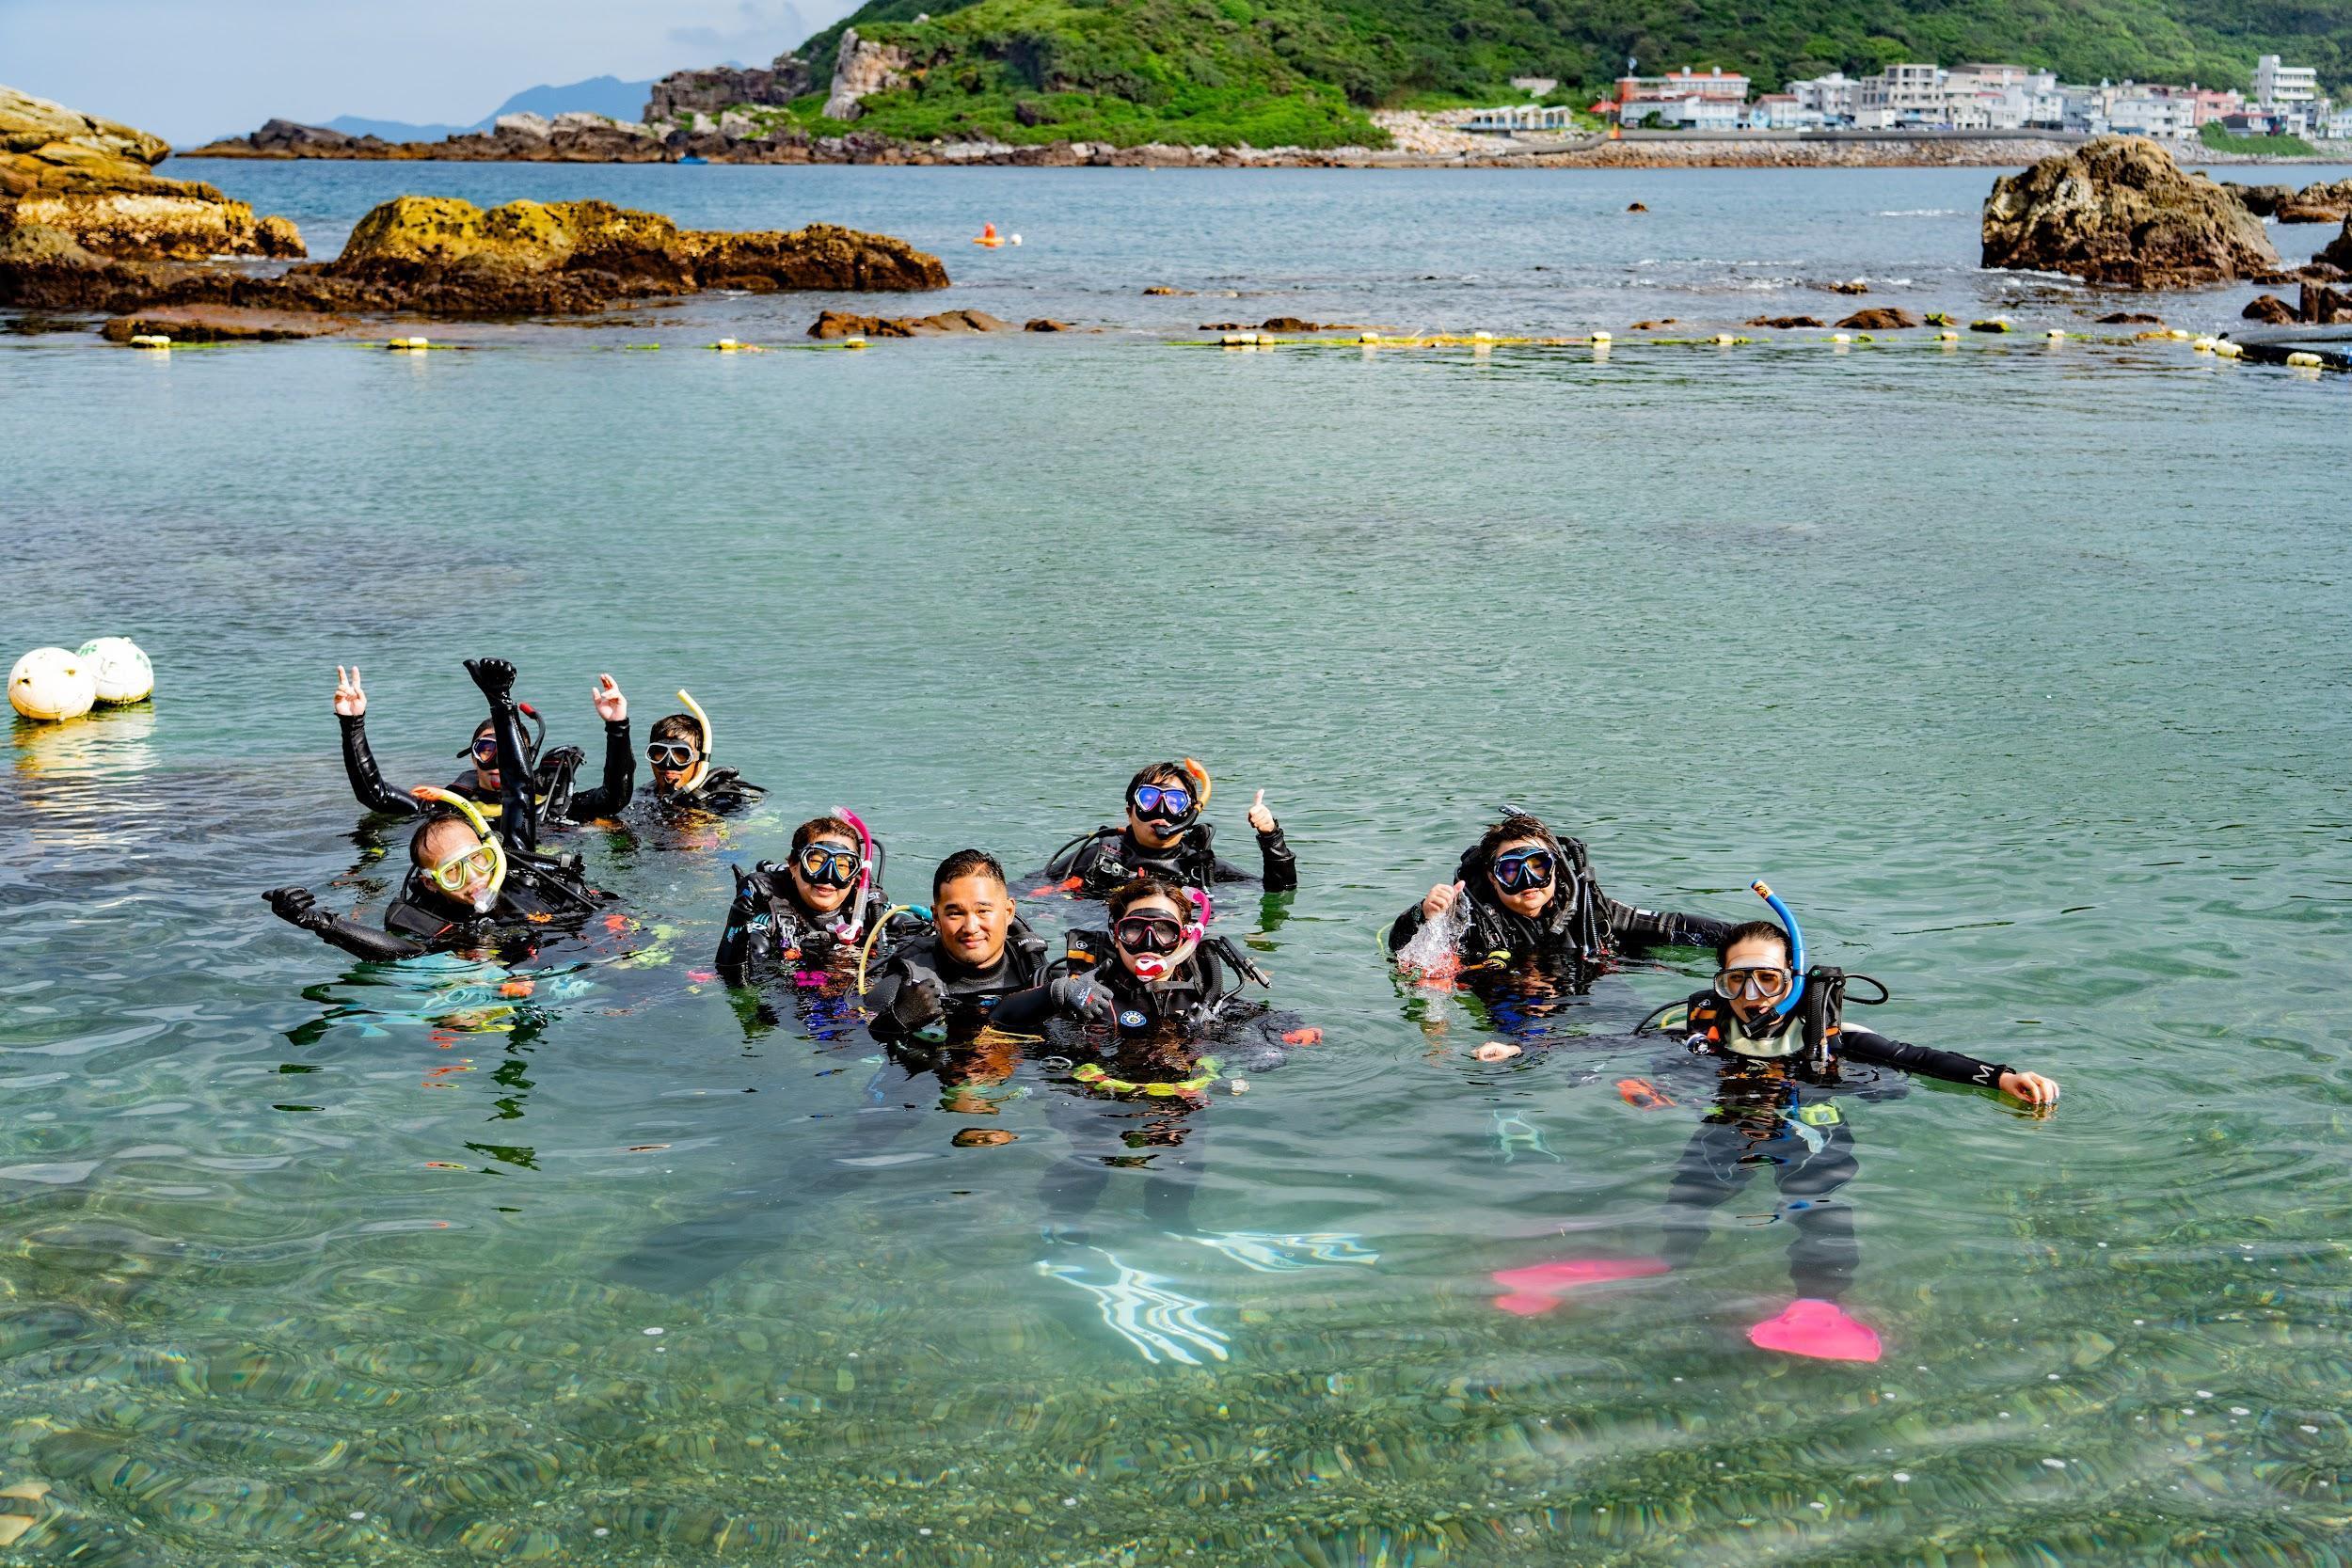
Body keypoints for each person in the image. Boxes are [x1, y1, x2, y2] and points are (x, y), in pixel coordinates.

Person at [1503, 901, 2059, 1363]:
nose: (1753, 993)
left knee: (1818, 1207)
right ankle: (1649, 1265)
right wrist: (1521, 1046)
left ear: (1792, 978)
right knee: (1686, 1203)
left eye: (1768, 977)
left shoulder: (1825, 1030)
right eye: (1737, 979)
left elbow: (1917, 1058)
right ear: (1720, 983)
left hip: (1810, 1129)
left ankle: (1820, 1308)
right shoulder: (1702, 1025)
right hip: (1728, 1123)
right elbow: (1613, 1047)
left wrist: (2000, 1076)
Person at [268, 658, 608, 959]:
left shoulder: (516, 857)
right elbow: (403, 952)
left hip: (596, 942)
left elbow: (519, 790)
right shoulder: (424, 910)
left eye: (479, 860)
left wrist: (501, 703)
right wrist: (321, 923)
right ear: (430, 883)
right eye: (452, 872)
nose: (474, 877)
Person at [1388, 813, 1733, 971]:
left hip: (1584, 979)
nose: (1529, 881)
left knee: (1631, 1024)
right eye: (1511, 870)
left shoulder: (1583, 907)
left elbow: (1669, 925)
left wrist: (1746, 939)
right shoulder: (1471, 916)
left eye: (1538, 866)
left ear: (1556, 867)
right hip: (1509, 990)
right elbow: (1400, 944)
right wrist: (1424, 912)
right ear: (1493, 879)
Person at [332, 662, 633, 825]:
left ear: (523, 759)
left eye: (506, 754)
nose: (495, 763)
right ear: (473, 758)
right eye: (486, 750)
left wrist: (617, 725)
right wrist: (353, 723)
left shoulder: (556, 804)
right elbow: (376, 795)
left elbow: (614, 798)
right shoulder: (451, 808)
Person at [1038, 760, 1296, 898]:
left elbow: (1280, 891)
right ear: (1130, 811)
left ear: (1190, 814)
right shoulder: (1097, 858)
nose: (1161, 812)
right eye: (1149, 799)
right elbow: (1028, 891)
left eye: (1174, 802)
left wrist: (1270, 836)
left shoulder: (1200, 867)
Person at [863, 850, 1049, 1041]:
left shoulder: (1036, 971)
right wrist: (896, 1021)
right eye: (955, 914)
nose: (970, 928)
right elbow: (848, 1050)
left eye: (983, 910)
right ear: (936, 917)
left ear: (1008, 911)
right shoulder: (904, 983)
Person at [714, 812, 897, 983]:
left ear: (856, 874)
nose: (829, 877)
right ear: (793, 865)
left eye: (842, 866)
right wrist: (739, 916)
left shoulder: (876, 912)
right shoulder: (771, 919)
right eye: (816, 863)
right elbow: (734, 980)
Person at [644, 689, 765, 814]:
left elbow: (750, 824)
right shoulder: (645, 794)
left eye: (681, 755)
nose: (668, 763)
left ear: (700, 759)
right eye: (660, 753)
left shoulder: (724, 797)